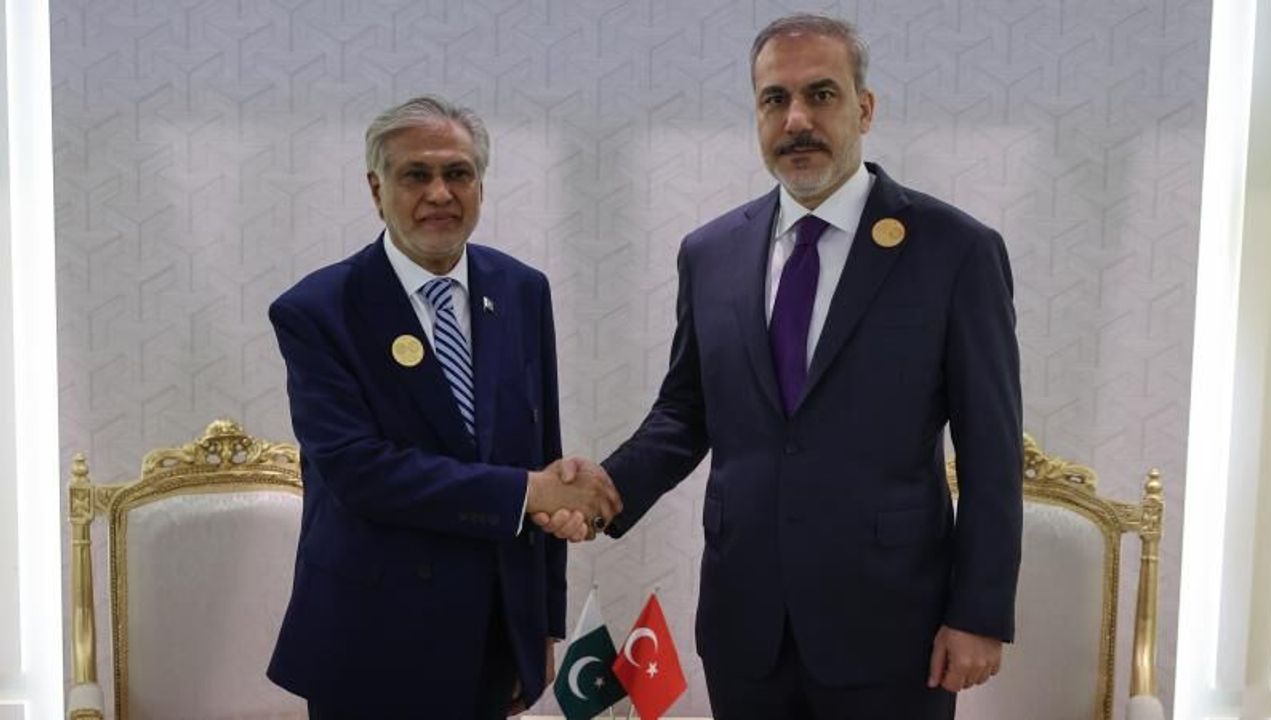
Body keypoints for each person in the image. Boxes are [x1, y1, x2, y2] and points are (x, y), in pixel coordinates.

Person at [537, 13, 1022, 720]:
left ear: (864, 108)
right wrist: (608, 488)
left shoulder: (954, 251)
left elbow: (992, 451)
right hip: (746, 625)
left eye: (821, 94)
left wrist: (978, 612)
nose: (797, 119)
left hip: (893, 628)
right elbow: (686, 412)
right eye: (775, 99)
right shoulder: (710, 253)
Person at [266, 95, 622, 719]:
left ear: (480, 185)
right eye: (416, 175)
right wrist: (530, 493)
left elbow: (541, 449)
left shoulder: (522, 290)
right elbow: (360, 472)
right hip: (370, 643)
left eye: (458, 173)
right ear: (376, 190)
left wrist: (540, 626)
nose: (440, 193)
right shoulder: (318, 310)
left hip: (493, 638)